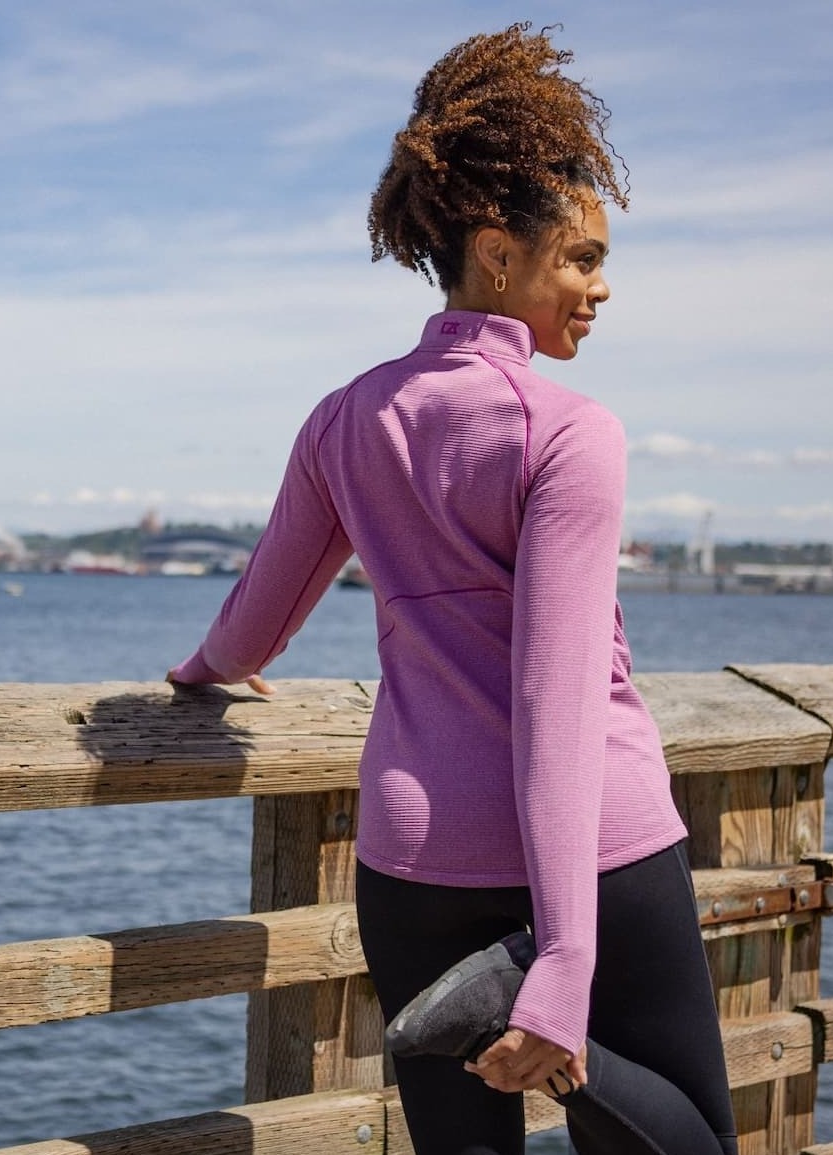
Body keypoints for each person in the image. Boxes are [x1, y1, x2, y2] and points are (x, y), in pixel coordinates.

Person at [167, 23, 738, 1155]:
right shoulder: (568, 431)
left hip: (416, 857)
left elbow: (255, 626)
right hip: (594, 854)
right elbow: (556, 699)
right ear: (496, 253)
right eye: (581, 258)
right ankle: (533, 1017)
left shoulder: (345, 417)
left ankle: (504, 1005)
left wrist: (198, 673)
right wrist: (563, 956)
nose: (600, 288)